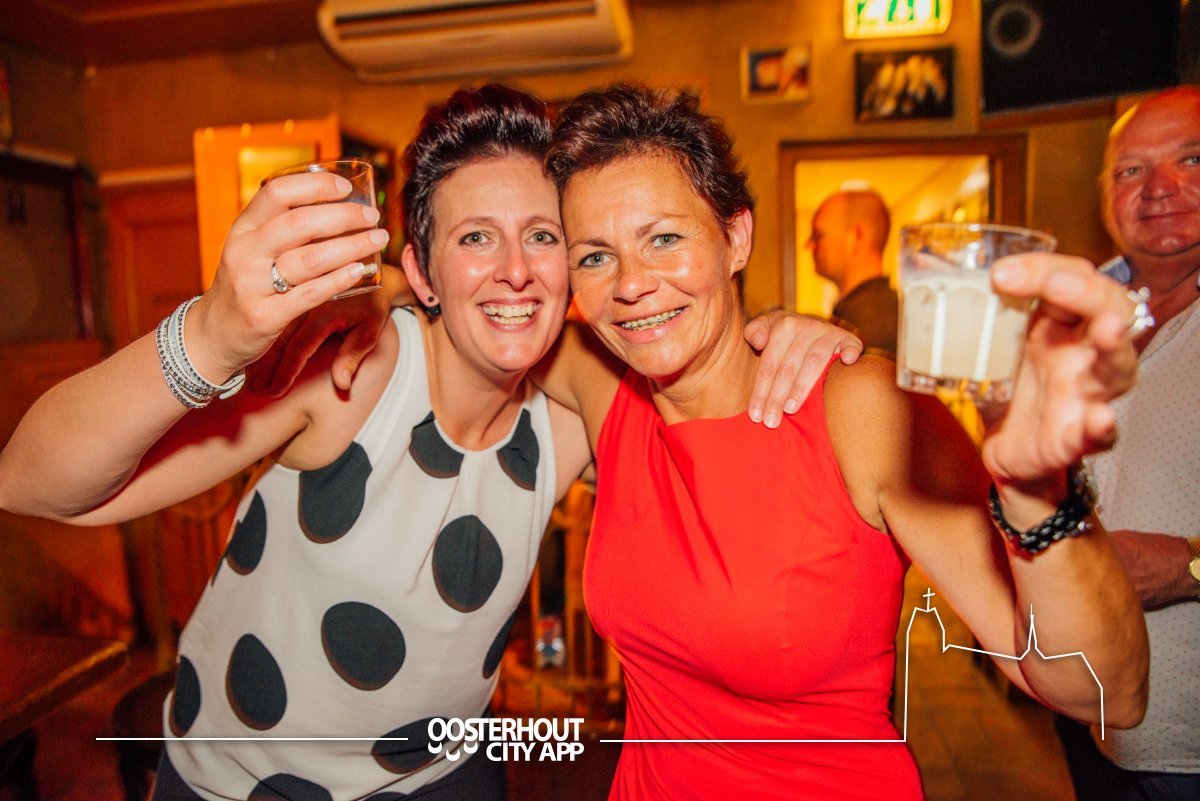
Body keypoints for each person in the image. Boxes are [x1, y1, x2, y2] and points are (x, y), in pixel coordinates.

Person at [0, 85, 857, 800]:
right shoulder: (353, 371)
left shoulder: (575, 411)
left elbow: (708, 382)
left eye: (543, 235)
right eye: (475, 237)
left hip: (444, 774)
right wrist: (212, 337)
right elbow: (34, 482)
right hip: (246, 781)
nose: (515, 268)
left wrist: (789, 333)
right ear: (422, 270)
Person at [532, 83, 1150, 800]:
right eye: (595, 257)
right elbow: (468, 313)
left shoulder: (861, 407)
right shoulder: (606, 385)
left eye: (664, 239)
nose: (631, 284)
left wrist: (1039, 491)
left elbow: (1104, 690)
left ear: (736, 238)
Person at [1052, 85, 1200, 801]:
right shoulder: (1071, 318)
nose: (1160, 187)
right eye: (1132, 169)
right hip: (1087, 715)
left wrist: (1190, 566)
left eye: (1191, 159)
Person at [809, 187, 899, 359]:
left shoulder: (866, 323)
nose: (809, 245)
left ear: (856, 237)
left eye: (818, 235)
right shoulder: (878, 311)